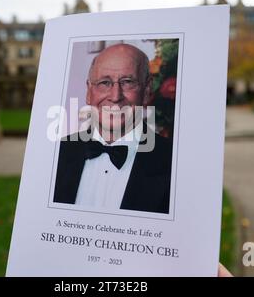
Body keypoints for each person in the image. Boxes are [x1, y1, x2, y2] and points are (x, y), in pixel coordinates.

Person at [53, 43, 173, 214]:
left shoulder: (174, 163)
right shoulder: (56, 154)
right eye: (104, 82)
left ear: (147, 90)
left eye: (127, 82)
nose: (115, 96)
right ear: (88, 91)